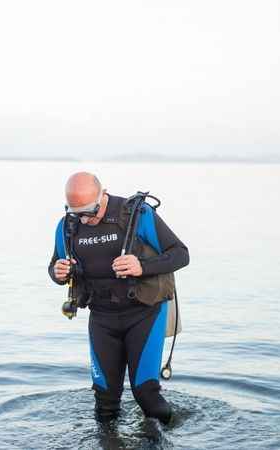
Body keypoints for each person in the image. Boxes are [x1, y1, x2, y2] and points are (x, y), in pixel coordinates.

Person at [48, 172, 189, 424]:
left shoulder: (136, 214)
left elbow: (180, 254)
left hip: (145, 313)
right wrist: (57, 272)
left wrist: (142, 266)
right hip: (102, 318)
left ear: (103, 195)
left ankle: (166, 438)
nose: (85, 219)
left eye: (90, 212)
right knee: (104, 400)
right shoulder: (67, 226)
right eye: (77, 212)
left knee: (146, 394)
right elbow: (54, 266)